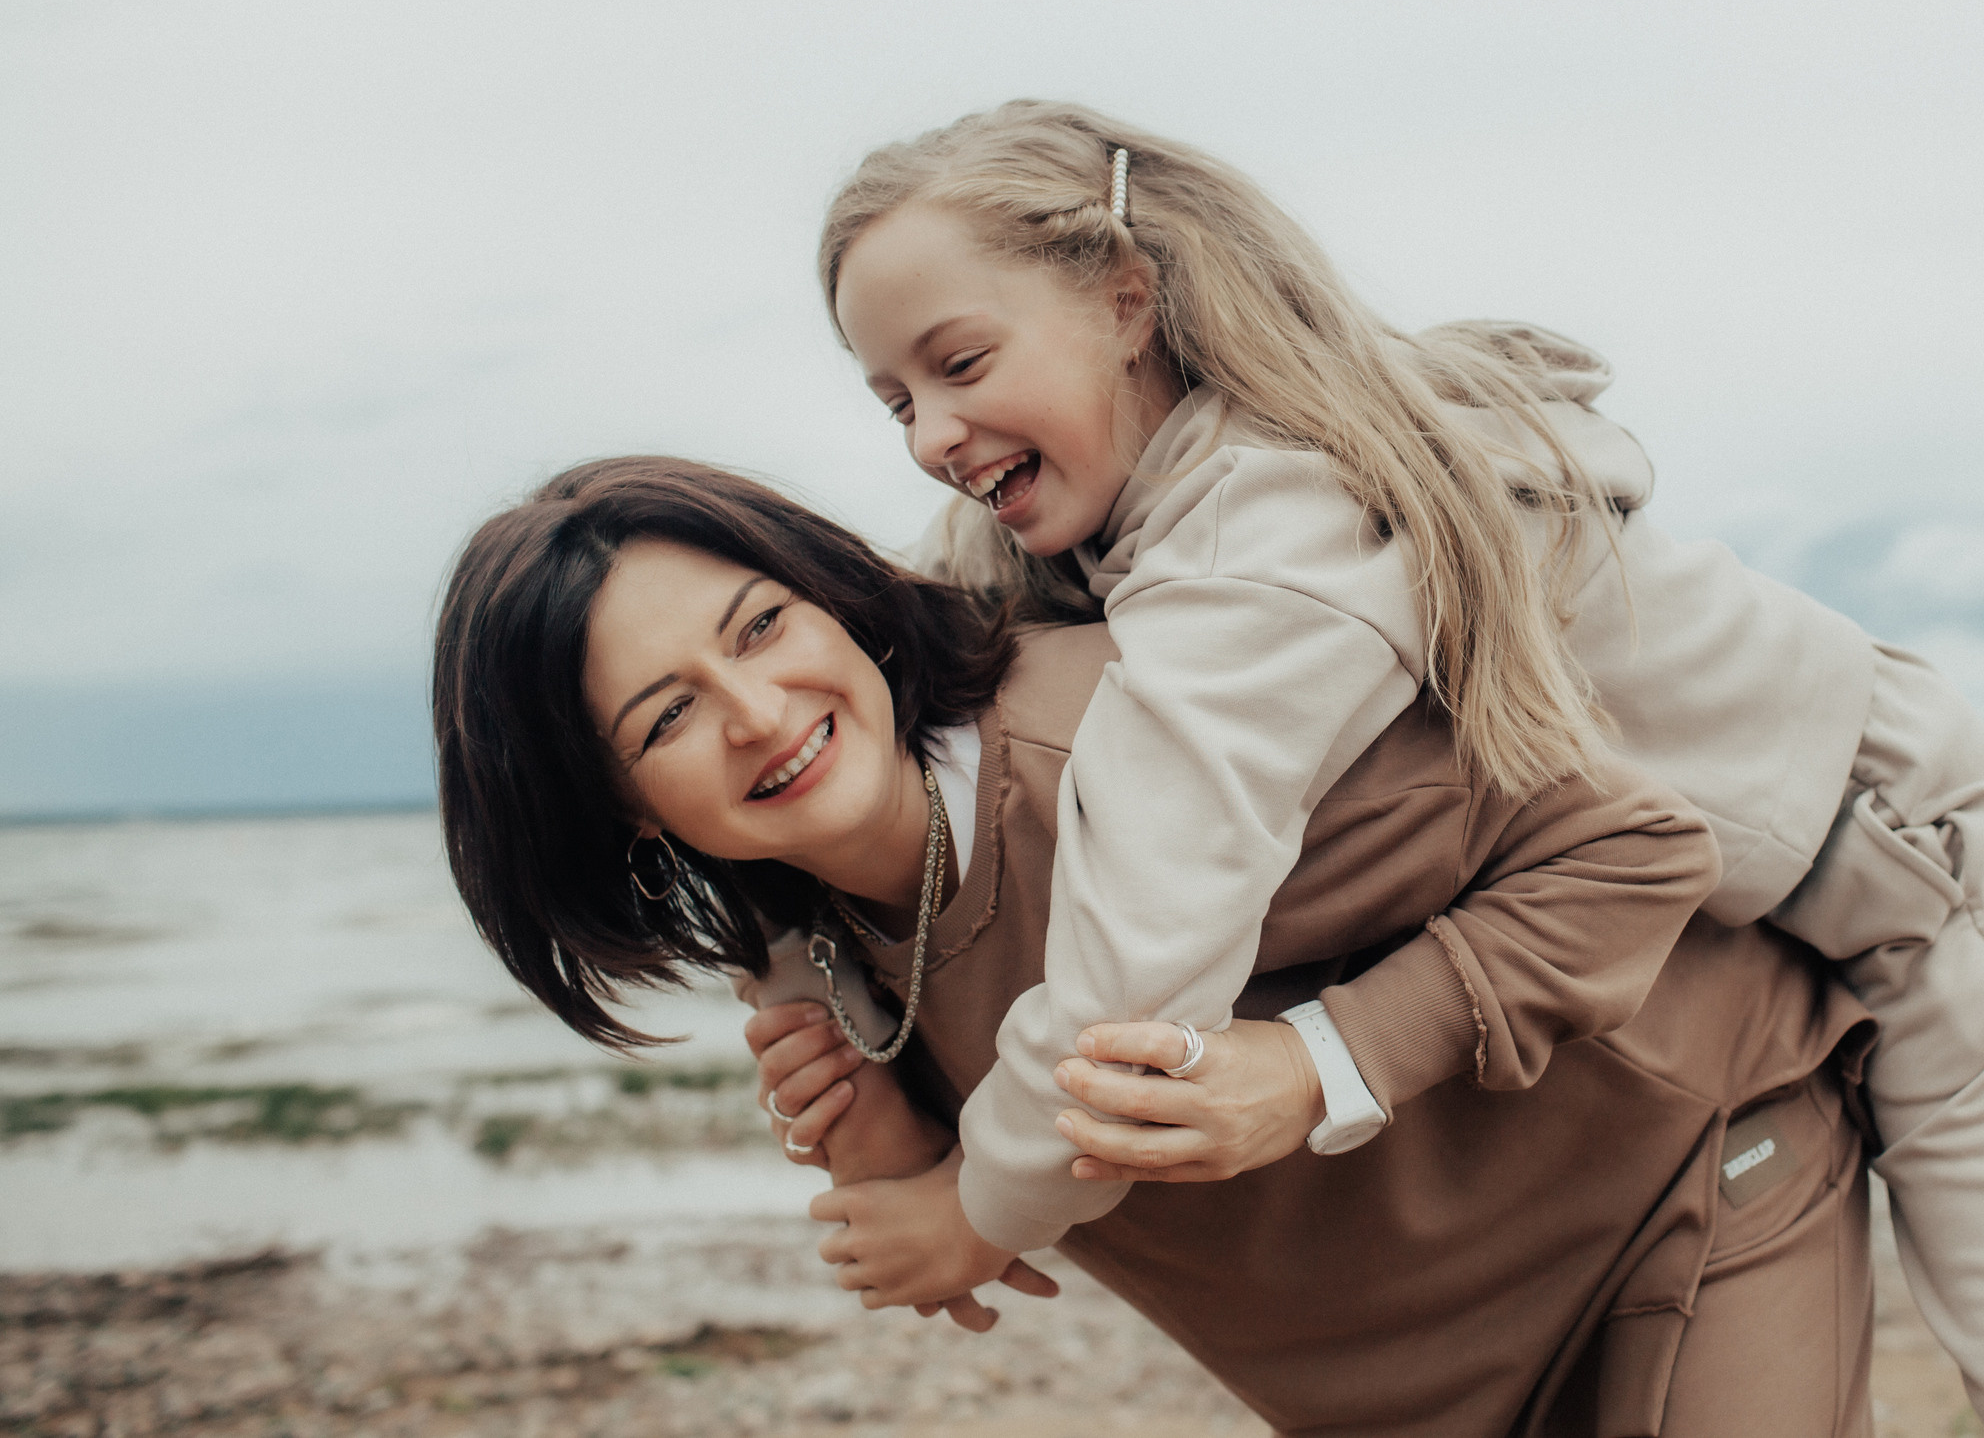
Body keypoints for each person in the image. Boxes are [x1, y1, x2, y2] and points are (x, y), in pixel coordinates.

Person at [802, 101, 1984, 1438]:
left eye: (962, 364)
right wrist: (819, 992)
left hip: (1897, 840)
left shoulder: (1274, 528)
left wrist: (971, 1210)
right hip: (1725, 873)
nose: (930, 434)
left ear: (1124, 297)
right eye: (892, 401)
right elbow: (876, 712)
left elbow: (1139, 969)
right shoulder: (1118, 515)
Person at [430, 456, 1879, 1437]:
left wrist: (1322, 1062)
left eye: (760, 625)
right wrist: (898, 1160)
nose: (756, 711)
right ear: (613, 809)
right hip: (1414, 1389)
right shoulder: (809, 957)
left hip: (1686, 1184)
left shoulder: (1143, 743)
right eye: (665, 717)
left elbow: (1629, 844)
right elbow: (995, 1212)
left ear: (834, 600)